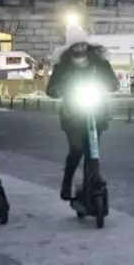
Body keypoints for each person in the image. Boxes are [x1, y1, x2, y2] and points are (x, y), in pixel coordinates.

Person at [47, 31, 118, 201]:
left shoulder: (99, 62)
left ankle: (90, 185)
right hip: (72, 112)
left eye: (83, 45)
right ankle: (67, 181)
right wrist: (56, 90)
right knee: (77, 148)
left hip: (96, 110)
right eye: (76, 46)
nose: (80, 49)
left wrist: (111, 84)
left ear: (88, 46)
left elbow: (112, 81)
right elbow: (52, 88)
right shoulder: (63, 65)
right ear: (71, 48)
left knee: (91, 151)